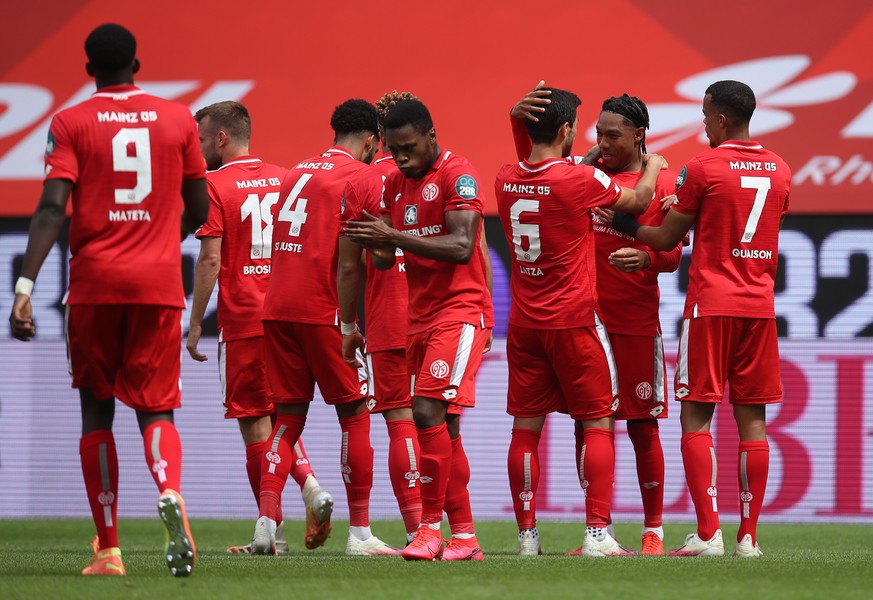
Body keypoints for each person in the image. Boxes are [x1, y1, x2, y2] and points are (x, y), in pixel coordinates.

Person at [8, 23, 208, 577]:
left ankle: (110, 550)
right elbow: (201, 203)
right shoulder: (177, 120)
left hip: (94, 287)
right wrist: (165, 239)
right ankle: (169, 490)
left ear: (89, 68)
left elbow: (52, 208)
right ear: (137, 64)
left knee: (97, 407)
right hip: (158, 284)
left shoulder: (71, 121)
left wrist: (25, 288)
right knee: (156, 406)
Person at [611, 80, 790, 557]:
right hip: (760, 307)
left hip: (711, 305)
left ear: (721, 120)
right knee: (754, 423)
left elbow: (668, 237)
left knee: (697, 417)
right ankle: (748, 538)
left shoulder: (702, 167)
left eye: (705, 114)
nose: (703, 122)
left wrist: (624, 223)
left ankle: (707, 535)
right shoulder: (781, 169)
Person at [494, 85, 666, 557]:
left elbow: (535, 162)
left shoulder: (506, 178)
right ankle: (597, 534)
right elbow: (636, 201)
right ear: (569, 130)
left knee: (525, 430)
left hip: (525, 325)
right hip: (574, 323)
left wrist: (517, 120)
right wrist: (652, 167)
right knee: (597, 424)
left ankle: (528, 538)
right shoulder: (579, 181)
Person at [343, 98, 494, 561]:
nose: (402, 157)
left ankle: (429, 530)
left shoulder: (458, 174)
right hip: (420, 317)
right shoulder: (392, 183)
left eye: (409, 148)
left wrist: (394, 238)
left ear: (431, 136)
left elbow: (463, 245)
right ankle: (465, 538)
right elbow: (389, 257)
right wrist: (376, 242)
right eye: (394, 148)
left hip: (463, 311)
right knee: (444, 428)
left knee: (425, 409)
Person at [187, 101, 333, 555]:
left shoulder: (213, 184)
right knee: (283, 421)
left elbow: (210, 258)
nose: (199, 149)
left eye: (203, 139)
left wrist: (195, 322)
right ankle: (302, 499)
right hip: (288, 315)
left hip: (245, 319)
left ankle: (275, 531)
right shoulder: (288, 178)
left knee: (254, 425)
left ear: (223, 138)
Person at [251, 99, 396, 556]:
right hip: (324, 311)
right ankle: (359, 534)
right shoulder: (364, 177)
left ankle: (266, 525)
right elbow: (364, 260)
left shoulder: (294, 172)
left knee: (287, 421)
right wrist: (351, 321)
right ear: (373, 140)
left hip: (277, 308)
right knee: (354, 415)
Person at [337, 91, 423, 545]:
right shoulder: (445, 171)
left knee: (399, 421)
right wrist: (484, 311)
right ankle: (451, 531)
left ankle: (416, 532)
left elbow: (348, 265)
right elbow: (475, 251)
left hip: (388, 315)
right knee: (442, 425)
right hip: (440, 314)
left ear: (379, 136)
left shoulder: (365, 181)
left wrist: (348, 327)